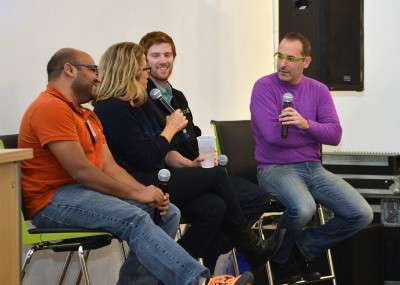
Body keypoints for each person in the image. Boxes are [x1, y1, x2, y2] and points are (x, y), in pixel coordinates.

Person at [18, 47, 255, 285]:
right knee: (134, 216)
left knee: (167, 212)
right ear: (69, 70)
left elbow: (109, 166)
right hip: (51, 200)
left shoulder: (85, 116)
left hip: (82, 193)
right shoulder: (50, 108)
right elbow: (82, 171)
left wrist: (146, 194)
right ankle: (200, 281)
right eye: (92, 70)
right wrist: (139, 192)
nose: (98, 77)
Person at [93, 42, 285, 273]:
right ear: (129, 71)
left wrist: (186, 162)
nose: (148, 74)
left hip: (157, 173)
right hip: (137, 182)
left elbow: (160, 151)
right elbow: (145, 157)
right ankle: (250, 247)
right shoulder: (110, 108)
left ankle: (175, 273)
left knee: (214, 207)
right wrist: (169, 129)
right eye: (145, 69)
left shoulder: (137, 103)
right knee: (215, 176)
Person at [138, 30, 272, 272]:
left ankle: (182, 262)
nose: (163, 60)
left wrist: (204, 154)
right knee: (218, 204)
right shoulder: (142, 98)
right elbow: (161, 150)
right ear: (144, 61)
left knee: (255, 198)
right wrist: (189, 164)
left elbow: (189, 135)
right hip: (169, 175)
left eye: (167, 54)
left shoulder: (177, 96)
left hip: (196, 169)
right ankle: (249, 247)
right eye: (155, 55)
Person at [250, 32, 373, 284]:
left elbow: (335, 135)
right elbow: (273, 135)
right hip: (275, 168)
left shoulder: (318, 90)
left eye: (290, 58)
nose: (282, 64)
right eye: (280, 56)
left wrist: (305, 124)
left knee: (361, 213)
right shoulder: (263, 87)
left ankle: (300, 247)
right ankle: (280, 260)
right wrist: (314, 133)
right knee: (303, 207)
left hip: (313, 168)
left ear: (306, 62)